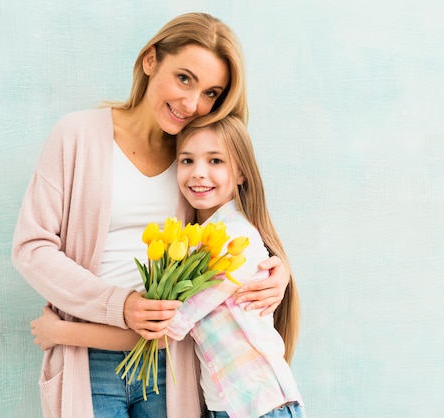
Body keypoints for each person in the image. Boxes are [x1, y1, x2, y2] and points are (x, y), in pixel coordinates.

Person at [13, 12, 290, 418]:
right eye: (184, 78)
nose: (192, 103)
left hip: (173, 364)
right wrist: (120, 304)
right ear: (150, 61)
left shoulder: (195, 158)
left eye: (211, 93)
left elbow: (230, 233)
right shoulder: (77, 136)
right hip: (86, 356)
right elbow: (32, 248)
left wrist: (274, 271)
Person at [31, 115, 304, 418]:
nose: (198, 173)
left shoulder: (229, 242)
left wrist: (59, 332)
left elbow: (162, 333)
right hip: (227, 407)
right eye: (186, 161)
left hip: (257, 407)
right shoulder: (200, 240)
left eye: (215, 161)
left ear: (242, 173)